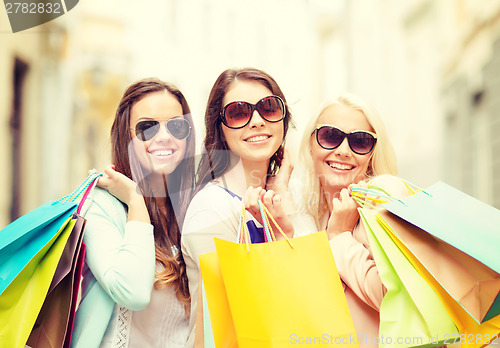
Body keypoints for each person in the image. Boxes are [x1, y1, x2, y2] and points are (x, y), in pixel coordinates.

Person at [72, 78, 196, 347]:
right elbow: (132, 292)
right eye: (147, 127)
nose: (164, 136)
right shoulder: (101, 207)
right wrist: (136, 201)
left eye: (176, 126)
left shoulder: (193, 209)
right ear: (126, 136)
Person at [180, 67, 295, 346]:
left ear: (283, 119)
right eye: (238, 112)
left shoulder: (285, 199)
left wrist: (280, 195)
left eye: (268, 108)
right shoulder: (211, 208)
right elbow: (227, 321)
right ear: (220, 128)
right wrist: (284, 235)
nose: (256, 121)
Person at [298, 93, 400, 347]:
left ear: (372, 154)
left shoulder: (382, 202)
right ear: (312, 144)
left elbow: (398, 299)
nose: (343, 151)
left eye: (360, 141)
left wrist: (341, 236)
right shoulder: (314, 214)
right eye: (330, 136)